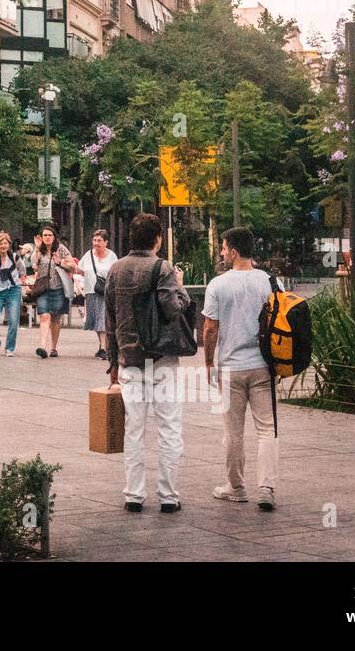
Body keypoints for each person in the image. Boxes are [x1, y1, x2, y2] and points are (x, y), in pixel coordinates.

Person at [105, 212, 191, 514]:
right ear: (157, 239)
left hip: (129, 360)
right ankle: (168, 496)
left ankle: (134, 495)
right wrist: (181, 287)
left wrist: (113, 361)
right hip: (161, 359)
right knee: (169, 428)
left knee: (133, 429)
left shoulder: (116, 269)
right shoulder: (162, 267)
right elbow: (172, 309)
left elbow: (110, 319)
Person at [202, 227, 278, 512]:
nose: (221, 252)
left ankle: (236, 487)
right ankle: (267, 488)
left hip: (231, 368)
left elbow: (210, 328)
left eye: (223, 248)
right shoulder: (271, 282)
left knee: (233, 431)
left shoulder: (218, 285)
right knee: (267, 429)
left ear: (233, 252)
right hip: (263, 366)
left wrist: (209, 362)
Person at [30, 225, 76, 359]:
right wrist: (37, 249)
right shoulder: (40, 250)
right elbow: (34, 266)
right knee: (44, 316)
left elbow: (73, 267)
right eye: (45, 235)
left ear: (54, 237)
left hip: (58, 288)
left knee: (55, 318)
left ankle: (53, 348)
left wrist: (60, 262)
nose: (47, 237)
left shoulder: (61, 249)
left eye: (50, 235)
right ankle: (42, 347)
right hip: (43, 288)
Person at [78, 229, 118, 360]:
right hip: (91, 291)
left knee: (103, 319)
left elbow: (115, 273)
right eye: (94, 240)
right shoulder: (88, 255)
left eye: (99, 240)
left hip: (106, 292)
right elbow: (80, 269)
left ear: (106, 242)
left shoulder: (112, 256)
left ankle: (103, 348)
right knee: (96, 320)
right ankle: (103, 345)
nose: (96, 243)